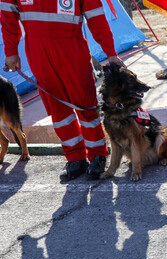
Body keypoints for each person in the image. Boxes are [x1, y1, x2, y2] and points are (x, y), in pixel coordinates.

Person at [1, 0, 125, 182]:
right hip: (38, 53)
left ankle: (98, 155)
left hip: (72, 52)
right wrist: (11, 50)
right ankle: (75, 158)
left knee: (85, 105)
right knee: (58, 110)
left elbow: (97, 18)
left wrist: (111, 53)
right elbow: (7, 15)